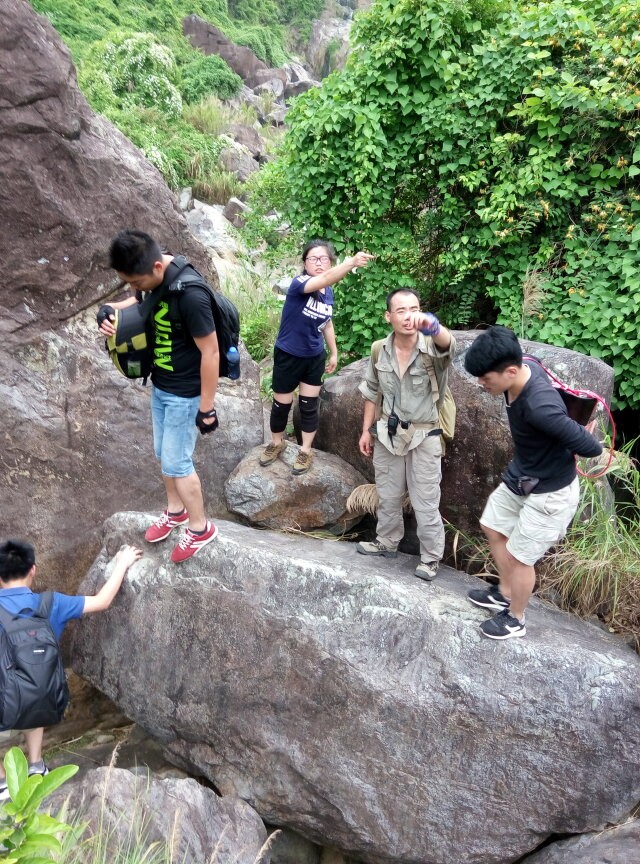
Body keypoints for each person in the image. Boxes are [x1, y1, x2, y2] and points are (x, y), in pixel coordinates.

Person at [463, 326, 603, 640]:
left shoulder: (541, 408)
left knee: (519, 558)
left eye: (485, 378)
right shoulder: (524, 364)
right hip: (523, 474)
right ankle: (505, 592)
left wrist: (576, 433)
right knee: (492, 525)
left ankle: (516, 618)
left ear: (510, 372)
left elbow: (591, 447)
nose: (481, 383)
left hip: (550, 491)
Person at [99, 230, 219, 563]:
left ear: (156, 267)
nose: (134, 288)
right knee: (163, 455)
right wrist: (110, 310)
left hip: (185, 394)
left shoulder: (191, 295)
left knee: (178, 463)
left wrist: (206, 408)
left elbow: (210, 352)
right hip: (162, 386)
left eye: (136, 282)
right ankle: (175, 511)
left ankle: (200, 528)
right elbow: (139, 301)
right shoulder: (154, 280)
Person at [0, 538, 142, 799]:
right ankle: (36, 765)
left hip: (6, 704)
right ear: (33, 570)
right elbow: (102, 601)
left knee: (16, 680)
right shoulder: (52, 603)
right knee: (34, 677)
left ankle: (2, 782)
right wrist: (122, 564)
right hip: (48, 699)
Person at [356, 289, 456, 581]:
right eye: (401, 310)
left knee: (425, 500)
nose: (408, 316)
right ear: (388, 316)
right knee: (387, 494)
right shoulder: (379, 349)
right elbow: (371, 391)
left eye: (414, 309)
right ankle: (387, 541)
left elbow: (449, 345)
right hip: (387, 433)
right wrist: (366, 430)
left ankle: (431, 557)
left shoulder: (431, 348)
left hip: (424, 435)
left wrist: (433, 326)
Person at [259, 240, 375, 475]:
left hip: (313, 357)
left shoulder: (328, 292)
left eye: (324, 258)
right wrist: (351, 263)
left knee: (309, 406)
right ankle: (277, 443)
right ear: (305, 263)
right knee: (281, 405)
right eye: (313, 258)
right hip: (288, 354)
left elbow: (326, 323)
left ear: (330, 262)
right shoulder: (300, 283)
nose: (319, 263)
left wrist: (334, 352)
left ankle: (305, 450)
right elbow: (325, 279)